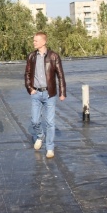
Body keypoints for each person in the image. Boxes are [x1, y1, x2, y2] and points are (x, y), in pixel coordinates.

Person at [24, 31, 66, 159]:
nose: (34, 42)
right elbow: (27, 74)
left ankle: (50, 148)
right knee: (35, 120)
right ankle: (40, 135)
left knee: (50, 122)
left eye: (36, 40)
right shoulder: (32, 56)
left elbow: (60, 75)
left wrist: (62, 92)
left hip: (49, 94)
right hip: (36, 93)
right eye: (34, 40)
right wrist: (30, 89)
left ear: (43, 42)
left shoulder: (54, 56)